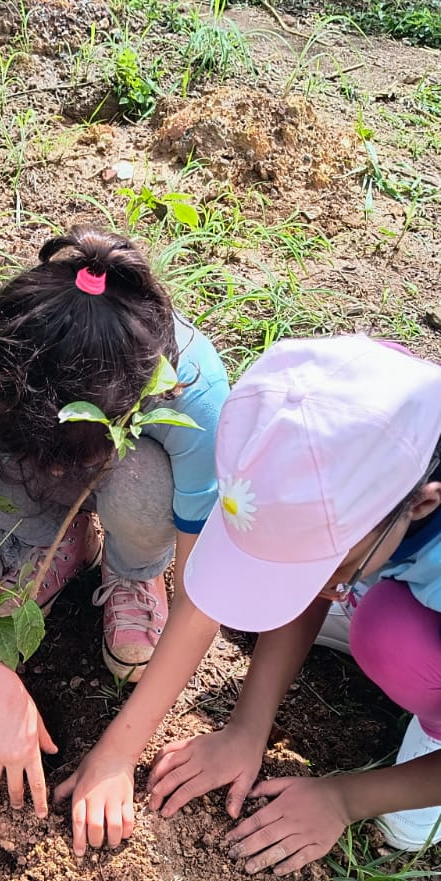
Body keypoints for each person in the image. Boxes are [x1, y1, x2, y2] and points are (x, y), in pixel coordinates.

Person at [0, 226, 229, 825]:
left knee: (141, 485)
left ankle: (132, 572)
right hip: (55, 473)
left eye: (61, 456)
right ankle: (54, 543)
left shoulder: (194, 395)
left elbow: (203, 600)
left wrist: (116, 754)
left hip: (136, 481)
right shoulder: (5, 376)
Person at [145, 335, 441, 873]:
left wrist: (345, 798)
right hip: (400, 551)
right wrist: (247, 728)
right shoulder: (353, 409)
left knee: (392, 640)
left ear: (423, 502)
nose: (313, 585)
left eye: (330, 569)